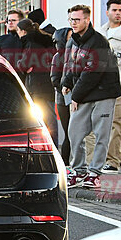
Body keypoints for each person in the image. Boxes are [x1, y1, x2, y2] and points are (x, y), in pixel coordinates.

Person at [60, 4, 120, 188]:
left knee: (101, 133)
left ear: (87, 19)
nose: (74, 23)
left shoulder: (99, 41)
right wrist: (66, 83)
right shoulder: (73, 40)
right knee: (74, 132)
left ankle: (94, 173)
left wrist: (75, 95)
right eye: (71, 19)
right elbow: (71, 65)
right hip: (83, 92)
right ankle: (78, 170)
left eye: (77, 19)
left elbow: (92, 72)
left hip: (103, 93)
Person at [97, 0, 121, 175]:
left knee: (115, 123)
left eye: (120, 10)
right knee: (103, 123)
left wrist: (114, 55)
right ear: (107, 12)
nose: (118, 13)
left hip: (120, 85)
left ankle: (113, 162)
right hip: (102, 85)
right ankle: (118, 158)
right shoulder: (100, 32)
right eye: (114, 10)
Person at [16, 18, 57, 142]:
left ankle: (50, 146)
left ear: (23, 31)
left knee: (44, 120)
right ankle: (52, 145)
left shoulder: (31, 43)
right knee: (49, 119)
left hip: (37, 87)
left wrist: (20, 63)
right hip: (46, 85)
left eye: (18, 31)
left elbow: (24, 64)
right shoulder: (44, 40)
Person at [51, 24, 73, 163]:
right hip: (63, 98)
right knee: (68, 132)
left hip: (77, 98)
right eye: (69, 37)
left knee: (76, 132)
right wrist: (65, 88)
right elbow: (54, 79)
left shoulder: (76, 53)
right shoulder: (58, 57)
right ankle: (65, 163)